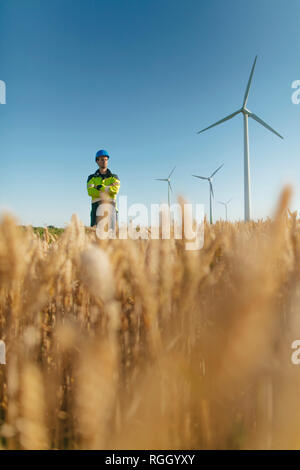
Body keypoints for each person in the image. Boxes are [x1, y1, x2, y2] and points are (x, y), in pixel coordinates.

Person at [87, 149, 120, 229]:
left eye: (106, 159)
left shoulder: (114, 177)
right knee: (95, 235)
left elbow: (115, 190)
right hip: (96, 208)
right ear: (97, 161)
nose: (104, 161)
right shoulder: (91, 178)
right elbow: (90, 192)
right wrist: (108, 188)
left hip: (111, 208)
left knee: (112, 236)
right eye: (101, 159)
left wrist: (99, 187)